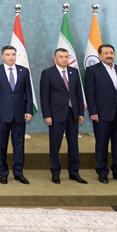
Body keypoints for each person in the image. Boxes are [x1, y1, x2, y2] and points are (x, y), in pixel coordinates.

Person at [84, 44, 117, 185]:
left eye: (111, 53)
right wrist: (93, 111)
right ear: (99, 55)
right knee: (102, 144)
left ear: (115, 54)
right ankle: (102, 172)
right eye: (105, 53)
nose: (109, 55)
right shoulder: (92, 70)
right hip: (102, 113)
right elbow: (89, 93)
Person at [0, 45, 33, 185]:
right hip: (1, 115)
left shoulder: (24, 71)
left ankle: (18, 172)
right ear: (2, 56)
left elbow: (28, 93)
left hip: (19, 114)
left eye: (13, 54)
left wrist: (28, 110)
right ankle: (3, 173)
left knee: (19, 145)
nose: (11, 57)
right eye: (8, 54)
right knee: (2, 145)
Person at [40, 48, 85, 184]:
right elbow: (44, 96)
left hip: (73, 113)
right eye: (61, 57)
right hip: (56, 114)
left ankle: (74, 172)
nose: (64, 59)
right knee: (55, 145)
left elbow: (78, 94)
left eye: (66, 57)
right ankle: (55, 173)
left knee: (74, 144)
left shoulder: (74, 72)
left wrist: (81, 112)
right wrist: (47, 115)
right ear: (55, 59)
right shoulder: (48, 73)